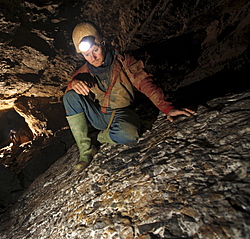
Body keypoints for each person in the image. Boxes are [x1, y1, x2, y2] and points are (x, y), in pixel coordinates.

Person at [63, 22, 195, 171]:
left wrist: (168, 108)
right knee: (69, 97)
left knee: (129, 134)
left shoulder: (124, 61)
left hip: (121, 113)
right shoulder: (84, 71)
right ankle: (86, 152)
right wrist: (73, 84)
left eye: (95, 50)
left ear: (103, 44)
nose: (92, 57)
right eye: (87, 54)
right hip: (100, 116)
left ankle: (98, 138)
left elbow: (145, 83)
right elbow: (69, 93)